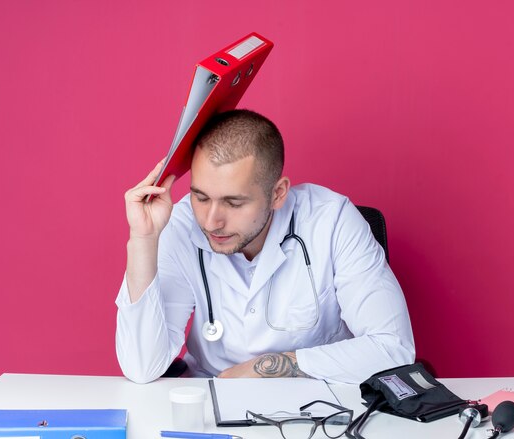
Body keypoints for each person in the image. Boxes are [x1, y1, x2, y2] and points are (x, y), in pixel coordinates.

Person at [116, 109, 415, 384]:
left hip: (318, 400)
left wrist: (266, 367)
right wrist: (144, 239)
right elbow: (142, 367)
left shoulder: (332, 220)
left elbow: (393, 347)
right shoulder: (180, 223)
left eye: (234, 202)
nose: (211, 221)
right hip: (211, 397)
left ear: (278, 193)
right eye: (201, 197)